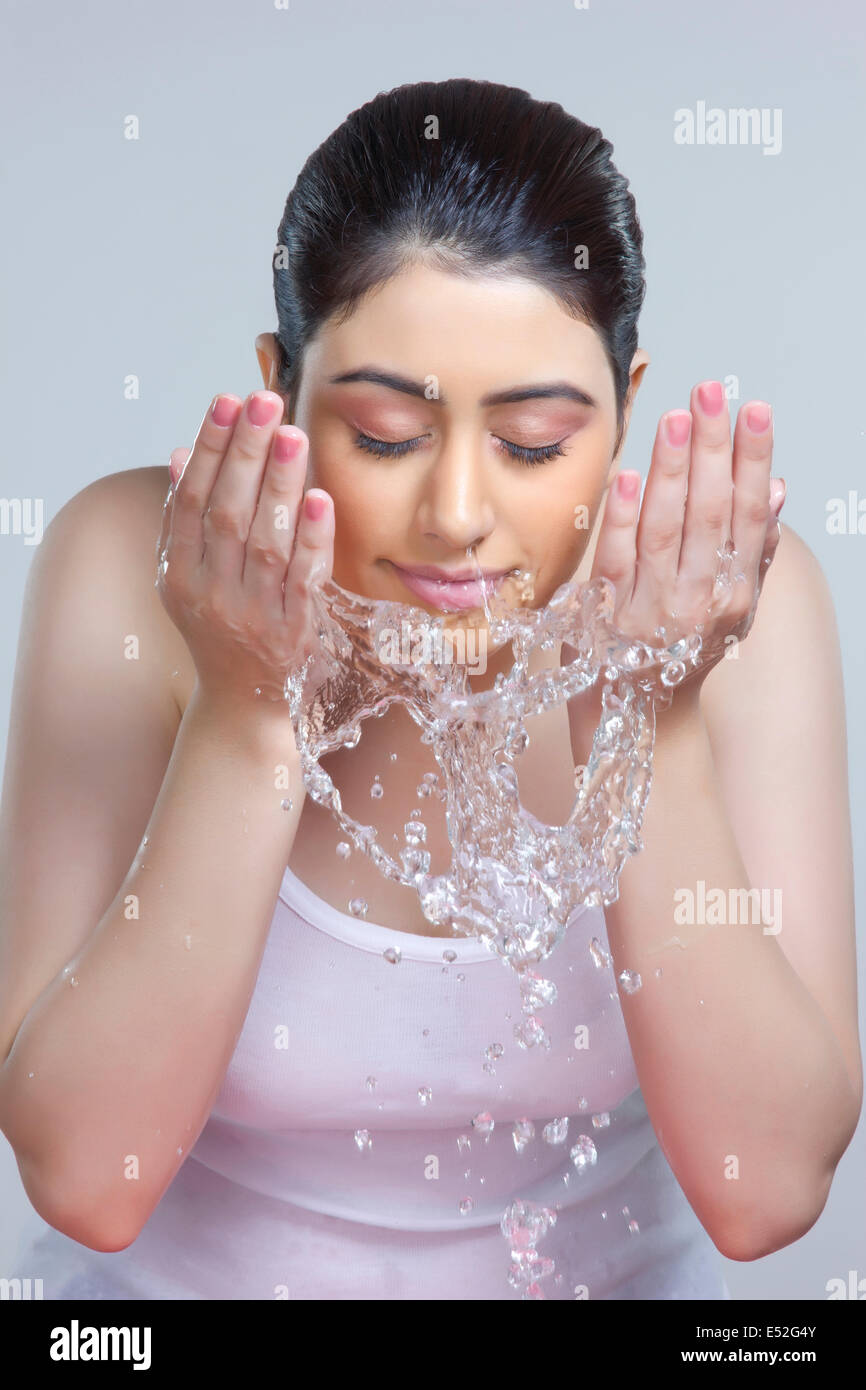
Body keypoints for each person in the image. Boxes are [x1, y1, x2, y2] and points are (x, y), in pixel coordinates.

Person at [0, 78, 860, 1301]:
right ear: (277, 388)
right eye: (388, 433)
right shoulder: (135, 570)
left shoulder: (735, 606)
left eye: (530, 445)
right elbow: (88, 1176)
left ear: (623, 412)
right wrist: (246, 713)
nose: (456, 516)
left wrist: (649, 705)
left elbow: (764, 1189)